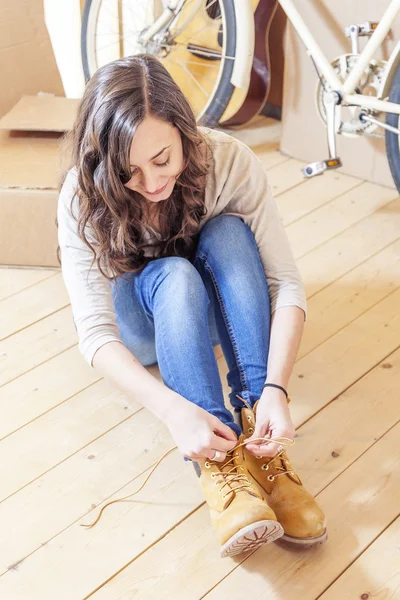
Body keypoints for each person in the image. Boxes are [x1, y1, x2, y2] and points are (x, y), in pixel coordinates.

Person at [57, 54, 327, 558]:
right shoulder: (82, 191)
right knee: (175, 274)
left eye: (163, 159)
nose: (153, 182)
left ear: (185, 132)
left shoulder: (228, 160)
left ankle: (259, 438)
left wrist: (275, 388)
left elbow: (285, 283)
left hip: (218, 310)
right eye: (128, 172)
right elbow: (95, 333)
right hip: (145, 325)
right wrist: (172, 411)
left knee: (228, 231)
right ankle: (220, 465)